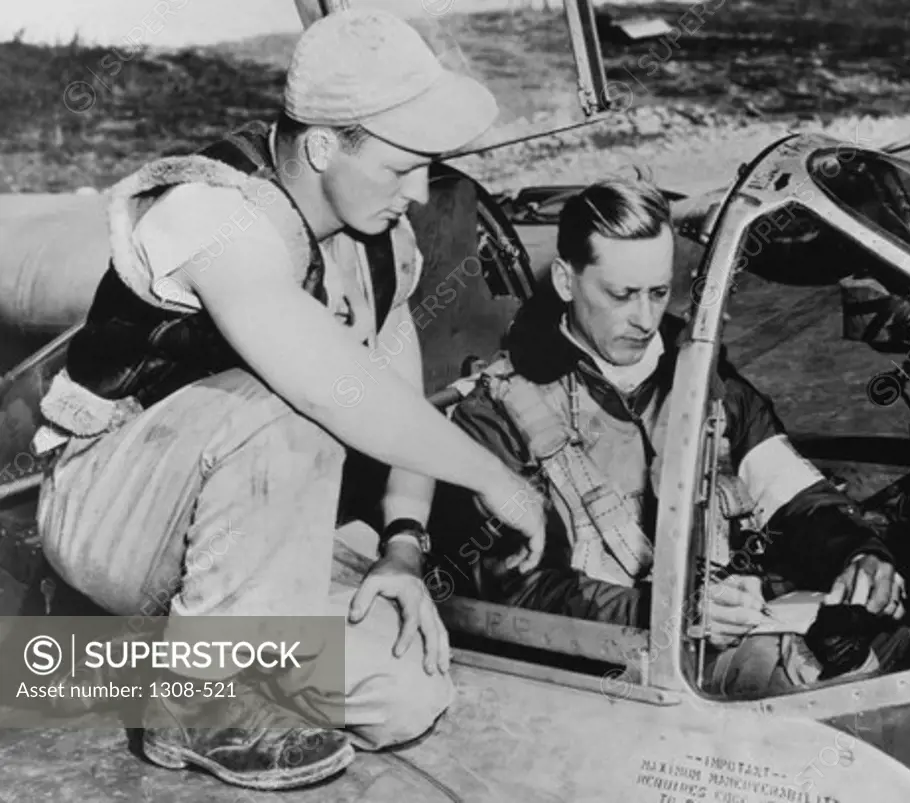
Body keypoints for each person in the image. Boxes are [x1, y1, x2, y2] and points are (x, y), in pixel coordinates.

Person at [31, 8, 545, 792]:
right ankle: (202, 703)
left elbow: (396, 391)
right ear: (322, 146)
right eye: (400, 167)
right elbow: (330, 386)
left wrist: (402, 545)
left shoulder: (378, 238)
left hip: (236, 537)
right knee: (288, 409)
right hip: (114, 510)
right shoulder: (209, 211)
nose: (416, 194)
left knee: (405, 687)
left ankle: (131, 663)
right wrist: (496, 477)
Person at [432, 177, 908, 696]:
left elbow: (796, 497)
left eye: (659, 292)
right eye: (621, 294)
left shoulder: (702, 377)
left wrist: (860, 553)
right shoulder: (499, 414)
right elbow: (516, 594)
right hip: (610, 675)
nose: (645, 319)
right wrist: (668, 609)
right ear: (567, 282)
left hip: (728, 622)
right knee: (808, 681)